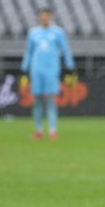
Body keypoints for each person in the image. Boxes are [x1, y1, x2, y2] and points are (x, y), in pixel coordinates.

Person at [20, 8, 75, 140]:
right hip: (36, 71)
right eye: (42, 16)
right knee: (37, 101)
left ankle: (52, 130)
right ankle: (38, 130)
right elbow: (28, 52)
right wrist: (24, 69)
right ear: (39, 18)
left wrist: (70, 67)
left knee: (51, 100)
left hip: (51, 71)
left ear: (50, 17)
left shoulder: (58, 32)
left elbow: (65, 50)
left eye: (46, 16)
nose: (44, 18)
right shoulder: (33, 33)